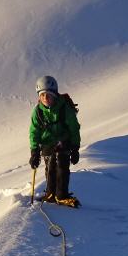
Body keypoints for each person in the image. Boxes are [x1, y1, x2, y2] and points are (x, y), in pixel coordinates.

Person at [28, 75, 81, 206]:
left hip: (64, 140)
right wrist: (34, 151)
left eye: (48, 95)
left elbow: (74, 128)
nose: (45, 98)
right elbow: (34, 132)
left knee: (62, 166)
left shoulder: (64, 108)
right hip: (47, 143)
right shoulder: (38, 112)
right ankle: (50, 194)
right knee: (50, 167)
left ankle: (62, 195)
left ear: (55, 95)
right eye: (42, 95)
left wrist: (75, 148)